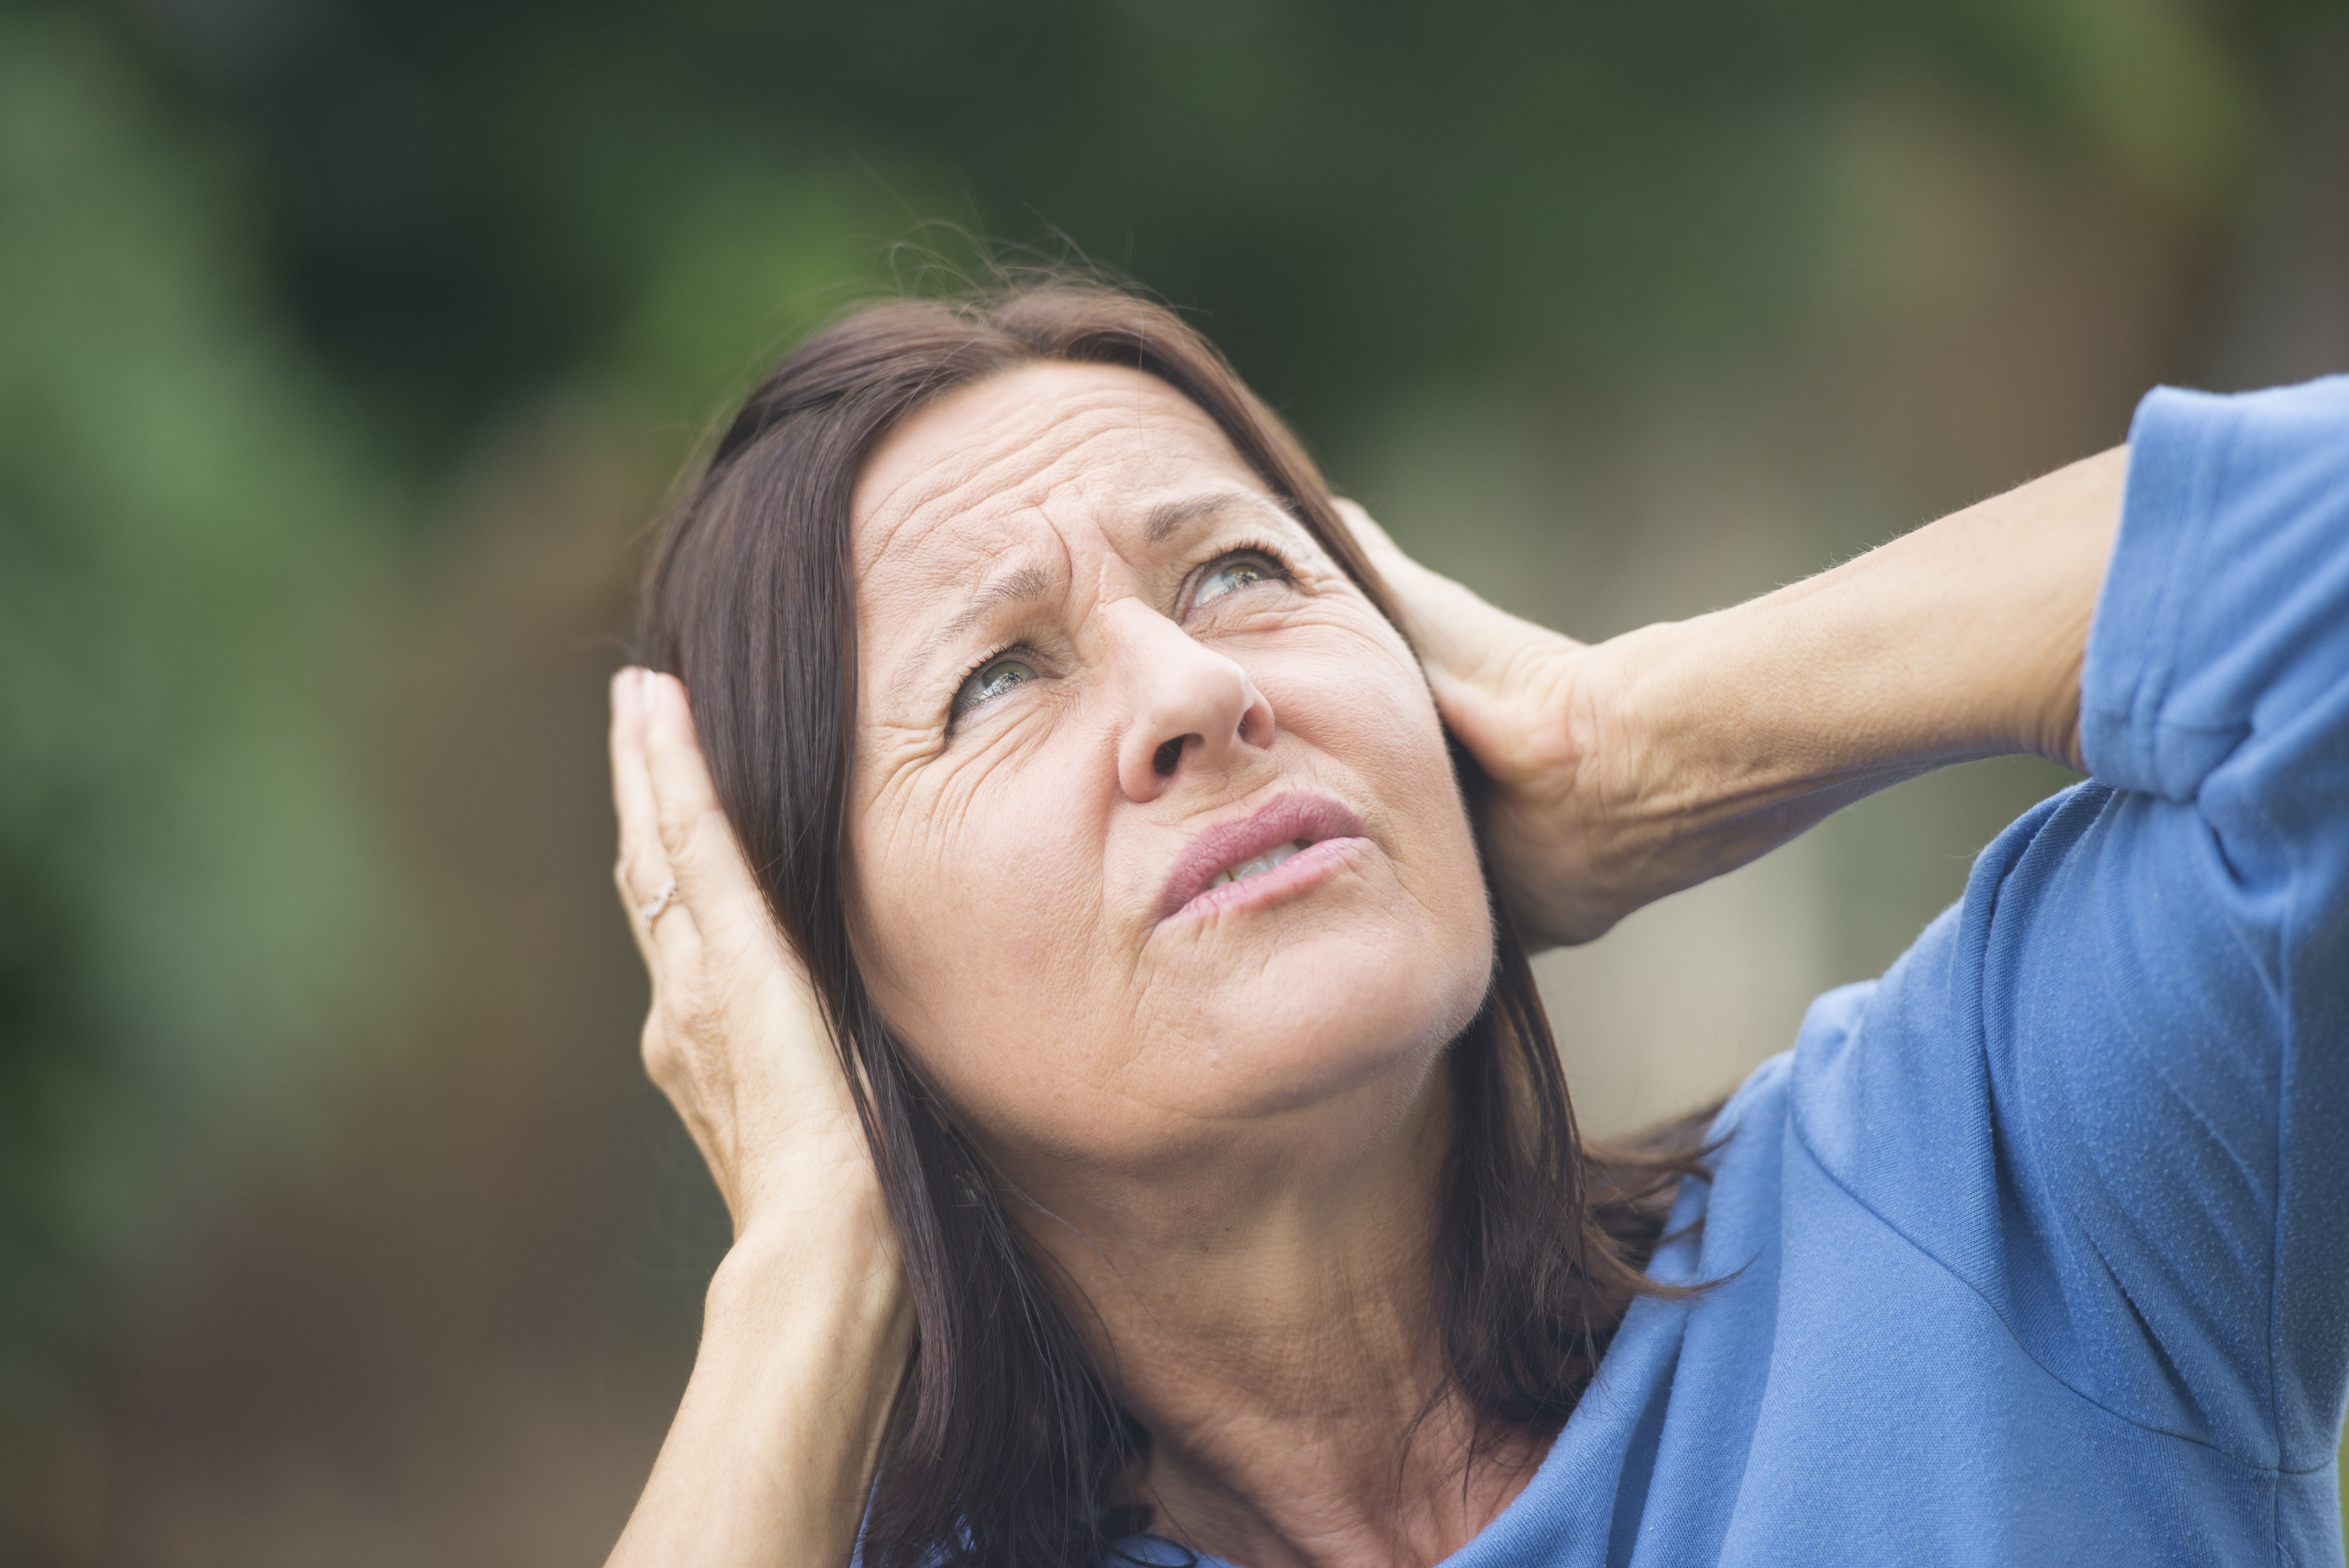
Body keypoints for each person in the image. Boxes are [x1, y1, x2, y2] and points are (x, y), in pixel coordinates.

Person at [601, 281, 2348, 1568]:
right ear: (805, 982)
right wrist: (805, 1274)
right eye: (996, 676)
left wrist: (1649, 732)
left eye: (1241, 571)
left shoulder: (1999, 1183)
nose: (1196, 686)